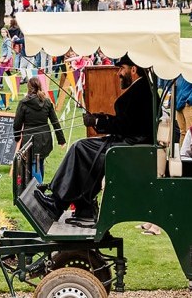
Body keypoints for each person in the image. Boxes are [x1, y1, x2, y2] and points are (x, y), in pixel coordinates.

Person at [33, 54, 154, 226]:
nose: (118, 73)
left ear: (133, 70)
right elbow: (128, 123)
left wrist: (97, 121)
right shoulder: (142, 89)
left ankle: (58, 203)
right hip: (130, 144)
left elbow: (126, 126)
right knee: (83, 148)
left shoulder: (140, 91)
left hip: (130, 147)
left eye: (122, 69)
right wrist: (99, 119)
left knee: (80, 148)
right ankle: (81, 206)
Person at [13, 77, 66, 182]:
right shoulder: (46, 102)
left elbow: (17, 123)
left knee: (33, 163)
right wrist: (61, 140)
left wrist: (17, 137)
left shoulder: (24, 103)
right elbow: (55, 122)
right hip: (44, 138)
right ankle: (39, 187)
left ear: (28, 87)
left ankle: (38, 187)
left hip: (29, 139)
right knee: (39, 162)